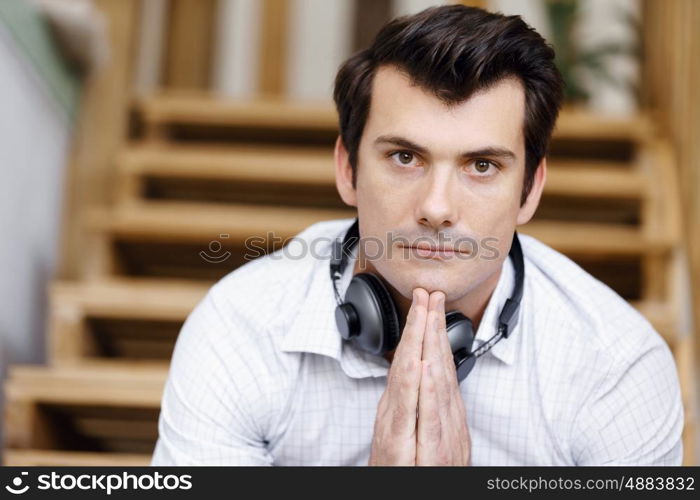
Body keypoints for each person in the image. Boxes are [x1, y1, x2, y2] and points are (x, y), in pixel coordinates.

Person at [151, 5, 683, 466]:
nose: (436, 208)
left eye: (481, 165)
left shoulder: (617, 368)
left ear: (530, 190)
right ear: (348, 169)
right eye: (404, 157)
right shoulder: (239, 328)